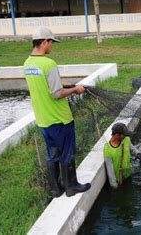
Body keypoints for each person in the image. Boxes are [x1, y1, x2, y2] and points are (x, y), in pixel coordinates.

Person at [24, 27, 91, 197]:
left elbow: (44, 86)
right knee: (68, 152)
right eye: (51, 42)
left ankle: (56, 189)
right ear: (44, 42)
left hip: (43, 119)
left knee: (52, 154)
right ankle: (71, 187)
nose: (52, 46)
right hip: (60, 118)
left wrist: (64, 84)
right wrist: (75, 90)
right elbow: (56, 94)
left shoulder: (28, 64)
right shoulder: (49, 63)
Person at [104, 123, 141, 188]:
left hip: (128, 175)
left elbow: (131, 148)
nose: (125, 136)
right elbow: (110, 172)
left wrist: (138, 154)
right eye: (124, 135)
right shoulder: (108, 149)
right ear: (117, 135)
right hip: (119, 182)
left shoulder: (126, 139)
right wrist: (115, 186)